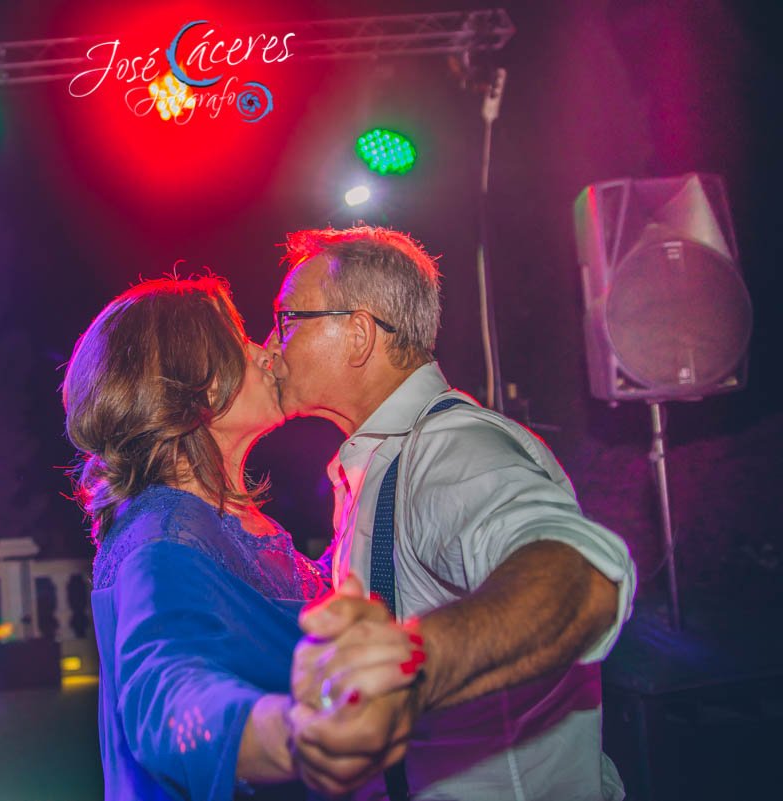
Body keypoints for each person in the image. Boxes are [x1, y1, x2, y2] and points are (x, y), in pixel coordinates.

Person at [264, 226, 637, 800]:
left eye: (288, 320)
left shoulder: (450, 446)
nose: (271, 345)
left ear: (359, 335)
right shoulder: (378, 459)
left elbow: (578, 575)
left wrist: (411, 665)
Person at [62, 275, 425, 800]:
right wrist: (294, 737)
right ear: (202, 389)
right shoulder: (163, 533)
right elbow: (167, 695)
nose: (265, 353)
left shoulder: (225, 523)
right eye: (242, 344)